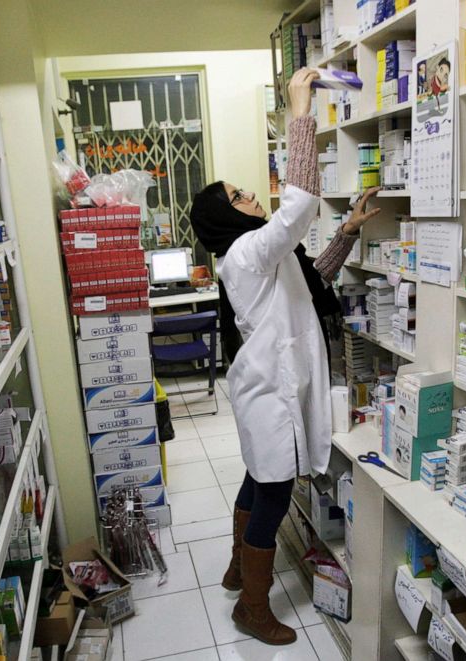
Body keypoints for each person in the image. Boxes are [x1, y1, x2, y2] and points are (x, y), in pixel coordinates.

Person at [189, 68, 381, 646]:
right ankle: (252, 604)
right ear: (227, 217)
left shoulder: (262, 256)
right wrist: (301, 113)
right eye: (238, 196)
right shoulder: (245, 252)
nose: (250, 195)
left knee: (257, 476)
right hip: (269, 390)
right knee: (273, 492)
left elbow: (311, 280)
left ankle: (234, 567)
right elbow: (298, 206)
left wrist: (346, 232)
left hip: (267, 386)